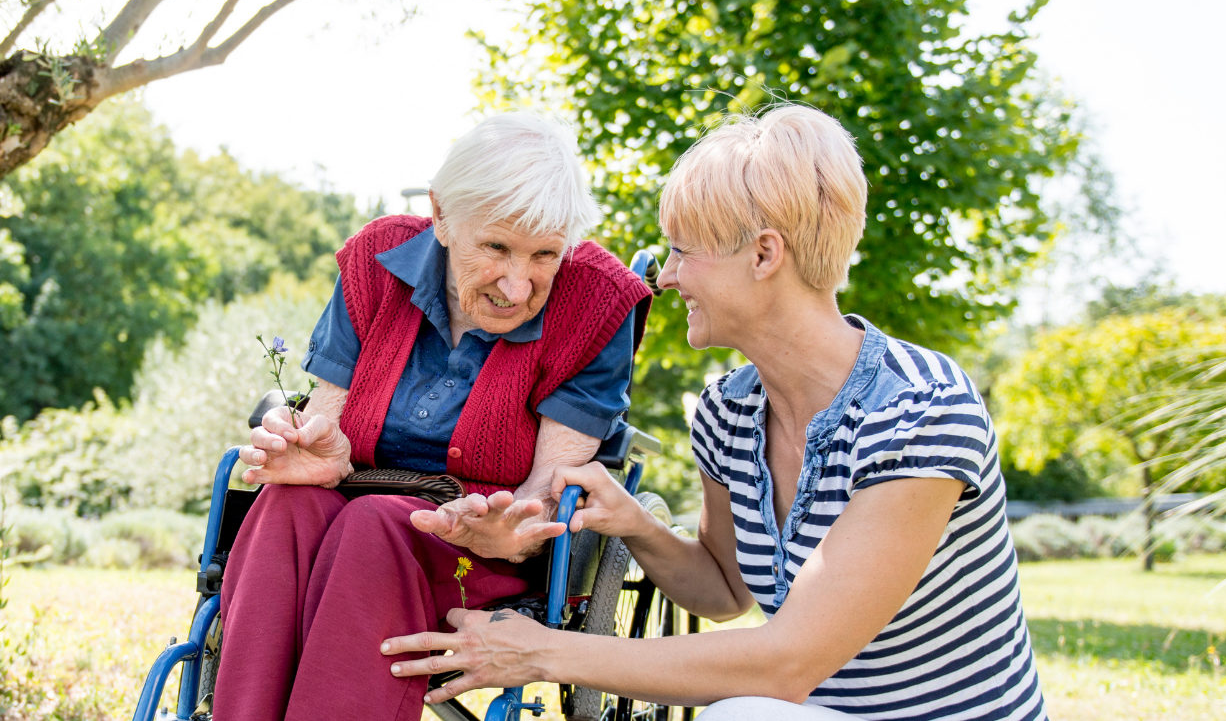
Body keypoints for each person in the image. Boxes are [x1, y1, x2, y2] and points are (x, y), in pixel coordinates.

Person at [381, 105, 1050, 721]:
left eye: (681, 250)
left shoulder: (920, 410)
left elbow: (788, 664)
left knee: (744, 717)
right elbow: (724, 588)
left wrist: (544, 651)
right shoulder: (730, 412)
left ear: (764, 254)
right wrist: (636, 524)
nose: (665, 277)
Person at [209, 112, 651, 721]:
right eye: (495, 247)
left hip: (478, 547)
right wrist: (315, 448)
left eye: (545, 255)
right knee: (288, 506)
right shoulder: (377, 259)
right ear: (441, 216)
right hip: (354, 512)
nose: (517, 287)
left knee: (373, 527)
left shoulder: (598, 302)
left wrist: (514, 534)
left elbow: (545, 496)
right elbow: (329, 425)